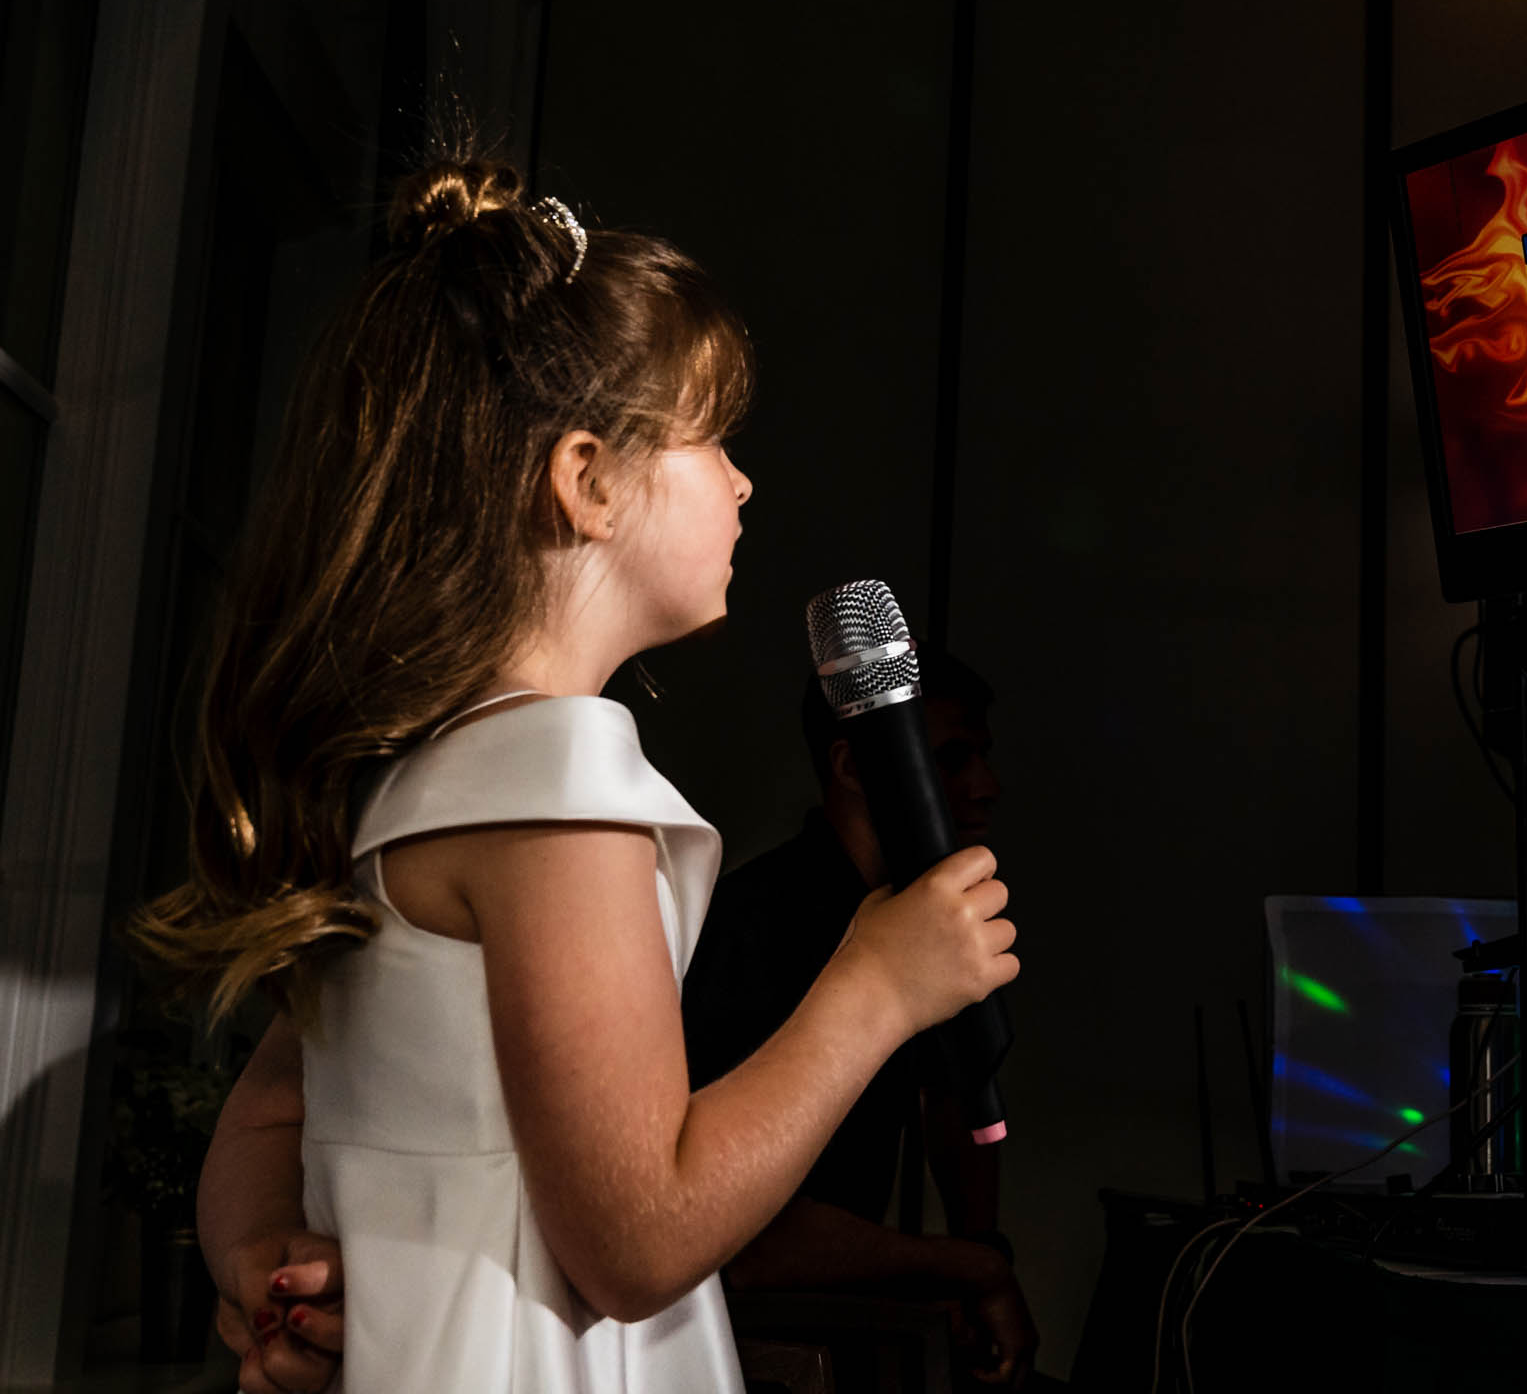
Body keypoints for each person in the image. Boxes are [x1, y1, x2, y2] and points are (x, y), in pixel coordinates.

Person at [141, 155, 1019, 1394]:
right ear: (588, 480)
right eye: (712, 438)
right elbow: (640, 1235)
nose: (743, 479)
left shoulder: (418, 776)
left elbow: (269, 1111)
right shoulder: (558, 788)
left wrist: (261, 1264)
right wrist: (877, 989)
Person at [683, 657, 1042, 1387]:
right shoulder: (756, 930)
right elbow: (751, 1241)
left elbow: (958, 1096)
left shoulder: (921, 921)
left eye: (985, 758)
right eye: (951, 759)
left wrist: (980, 1248)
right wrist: (972, 1267)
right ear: (853, 765)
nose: (985, 787)